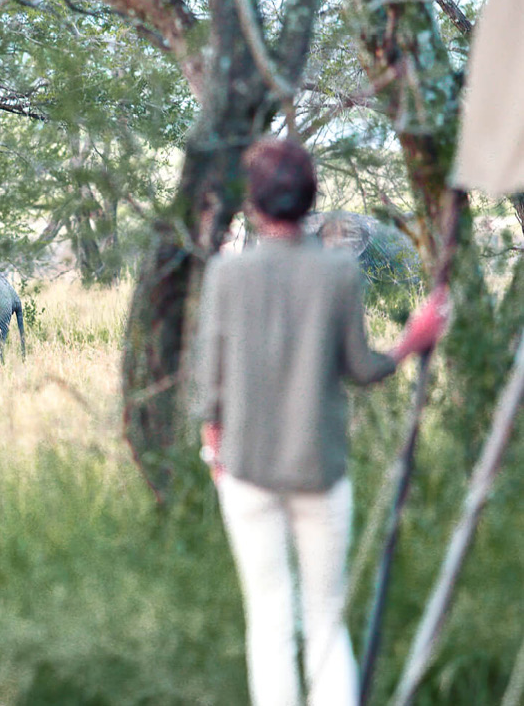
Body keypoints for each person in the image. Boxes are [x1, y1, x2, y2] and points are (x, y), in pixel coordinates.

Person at [192, 138, 448, 706]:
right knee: (326, 625)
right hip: (320, 471)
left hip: (247, 471)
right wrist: (412, 341)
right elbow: (363, 368)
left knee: (269, 622)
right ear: (309, 199)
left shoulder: (225, 276)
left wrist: (216, 456)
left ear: (254, 204)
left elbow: (210, 389)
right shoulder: (338, 273)